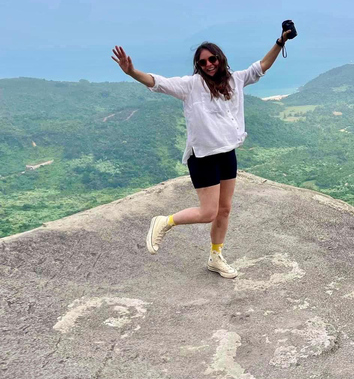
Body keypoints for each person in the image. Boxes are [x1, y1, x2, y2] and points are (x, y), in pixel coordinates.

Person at [111, 24, 294, 278]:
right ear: (198, 66)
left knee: (225, 209)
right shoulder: (192, 85)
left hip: (227, 154)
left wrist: (281, 41)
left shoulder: (234, 80)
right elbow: (158, 83)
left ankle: (215, 257)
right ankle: (165, 222)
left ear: (220, 58)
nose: (208, 64)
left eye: (212, 59)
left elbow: (262, 66)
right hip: (203, 157)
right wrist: (132, 72)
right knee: (208, 212)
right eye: (203, 62)